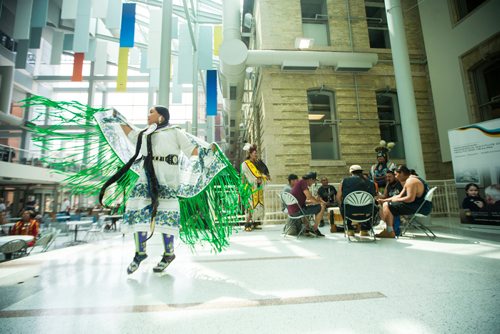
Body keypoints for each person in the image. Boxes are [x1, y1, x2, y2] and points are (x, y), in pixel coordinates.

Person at [101, 105, 243, 274]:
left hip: (168, 180)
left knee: (165, 216)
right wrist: (118, 119)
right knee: (138, 212)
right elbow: (131, 134)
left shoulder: (175, 132)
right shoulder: (146, 134)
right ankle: (140, 253)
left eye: (151, 112)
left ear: (161, 116)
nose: (148, 115)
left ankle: (169, 254)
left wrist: (208, 151)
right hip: (146, 178)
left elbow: (192, 150)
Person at [377, 165, 432, 238]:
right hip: (422, 206)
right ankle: (393, 230)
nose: (396, 177)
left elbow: (410, 199)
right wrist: (384, 200)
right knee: (388, 203)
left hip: (421, 208)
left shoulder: (411, 181)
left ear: (402, 173)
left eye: (396, 174)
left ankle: (390, 231)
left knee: (387, 205)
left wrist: (393, 201)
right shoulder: (412, 179)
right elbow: (399, 196)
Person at [337, 165, 377, 236]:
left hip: (349, 212)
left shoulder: (344, 181)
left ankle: (350, 229)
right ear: (361, 172)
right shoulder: (371, 183)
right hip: (367, 212)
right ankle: (364, 229)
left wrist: (342, 206)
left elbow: (338, 197)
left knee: (343, 204)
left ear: (351, 172)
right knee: (376, 207)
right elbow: (373, 197)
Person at [240, 143, 268, 232]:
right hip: (249, 187)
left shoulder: (257, 163)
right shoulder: (245, 164)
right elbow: (247, 176)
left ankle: (255, 222)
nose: (256, 154)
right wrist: (258, 178)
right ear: (250, 154)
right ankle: (247, 224)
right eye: (254, 153)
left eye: (256, 153)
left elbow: (263, 173)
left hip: (258, 188)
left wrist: (263, 176)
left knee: (258, 205)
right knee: (251, 206)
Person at [288, 172, 326, 237]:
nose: (314, 183)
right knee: (322, 206)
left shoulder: (299, 183)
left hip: (292, 211)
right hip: (298, 211)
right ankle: (315, 229)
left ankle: (307, 229)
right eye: (314, 181)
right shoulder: (303, 183)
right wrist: (319, 202)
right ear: (310, 179)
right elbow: (309, 197)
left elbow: (300, 201)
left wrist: (313, 202)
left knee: (310, 206)